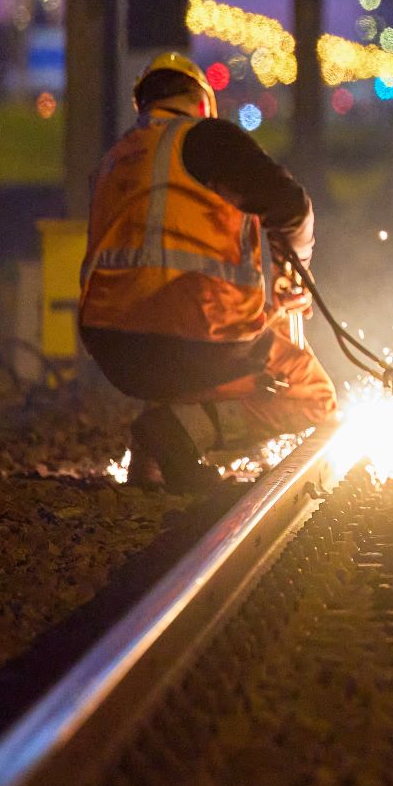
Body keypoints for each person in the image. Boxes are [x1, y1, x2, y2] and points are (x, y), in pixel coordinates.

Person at [79, 51, 337, 491]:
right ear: (202, 102)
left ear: (143, 105)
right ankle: (180, 432)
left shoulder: (116, 157)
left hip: (111, 347)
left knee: (178, 338)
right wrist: (295, 279)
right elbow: (292, 208)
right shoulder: (205, 140)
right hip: (196, 334)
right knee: (315, 399)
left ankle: (151, 459)